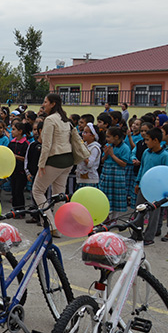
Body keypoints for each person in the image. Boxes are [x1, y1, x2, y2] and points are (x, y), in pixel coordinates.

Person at [31, 93, 74, 236]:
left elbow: (46, 144)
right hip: (68, 160)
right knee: (59, 195)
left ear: (53, 103)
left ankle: (50, 225)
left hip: (54, 160)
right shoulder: (65, 119)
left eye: (45, 102)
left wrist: (41, 164)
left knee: (37, 191)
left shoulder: (50, 120)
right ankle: (58, 226)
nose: (43, 104)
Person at [134, 128, 168, 245]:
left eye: (148, 140)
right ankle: (136, 233)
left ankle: (149, 237)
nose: (146, 142)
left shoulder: (165, 156)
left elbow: (167, 174)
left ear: (156, 140)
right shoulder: (146, 152)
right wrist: (138, 182)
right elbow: (142, 168)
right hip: (144, 187)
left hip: (157, 191)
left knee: (154, 214)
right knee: (139, 210)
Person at [99, 126, 131, 219]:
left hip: (117, 174)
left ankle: (115, 218)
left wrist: (112, 155)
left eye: (109, 136)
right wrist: (106, 154)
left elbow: (123, 164)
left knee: (116, 197)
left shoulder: (125, 148)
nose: (106, 139)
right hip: (106, 172)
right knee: (105, 195)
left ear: (116, 137)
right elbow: (102, 160)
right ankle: (105, 216)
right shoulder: (109, 146)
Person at [8, 122, 29, 213]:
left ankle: (21, 210)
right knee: (13, 190)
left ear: (20, 131)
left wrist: (16, 156)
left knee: (19, 191)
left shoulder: (26, 144)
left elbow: (27, 158)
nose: (11, 131)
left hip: (21, 172)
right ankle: (15, 208)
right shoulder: (12, 143)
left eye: (13, 129)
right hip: (13, 170)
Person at [75, 123, 102, 188]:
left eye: (86, 132)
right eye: (83, 132)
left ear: (93, 136)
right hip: (81, 179)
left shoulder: (94, 148)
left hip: (90, 180)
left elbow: (89, 164)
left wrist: (82, 153)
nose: (83, 134)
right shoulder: (85, 145)